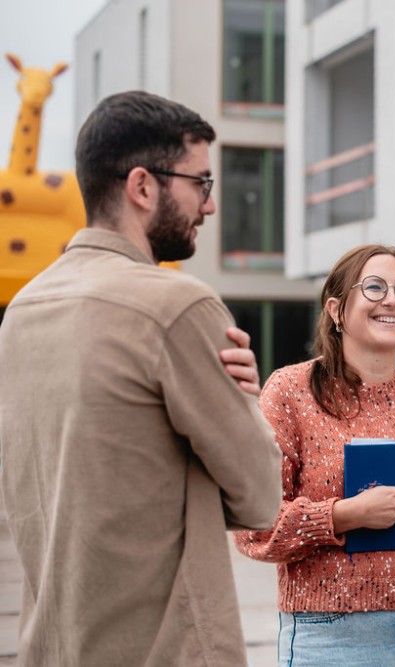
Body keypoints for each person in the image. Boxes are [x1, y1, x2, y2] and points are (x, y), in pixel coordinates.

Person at [0, 91, 283, 666]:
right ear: (142, 186)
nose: (210, 205)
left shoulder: (22, 311)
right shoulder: (176, 306)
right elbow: (260, 496)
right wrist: (244, 400)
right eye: (201, 183)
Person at [234, 243, 395, 666]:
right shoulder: (289, 394)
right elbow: (252, 526)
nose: (392, 299)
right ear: (337, 311)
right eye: (374, 288)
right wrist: (344, 515)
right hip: (334, 639)